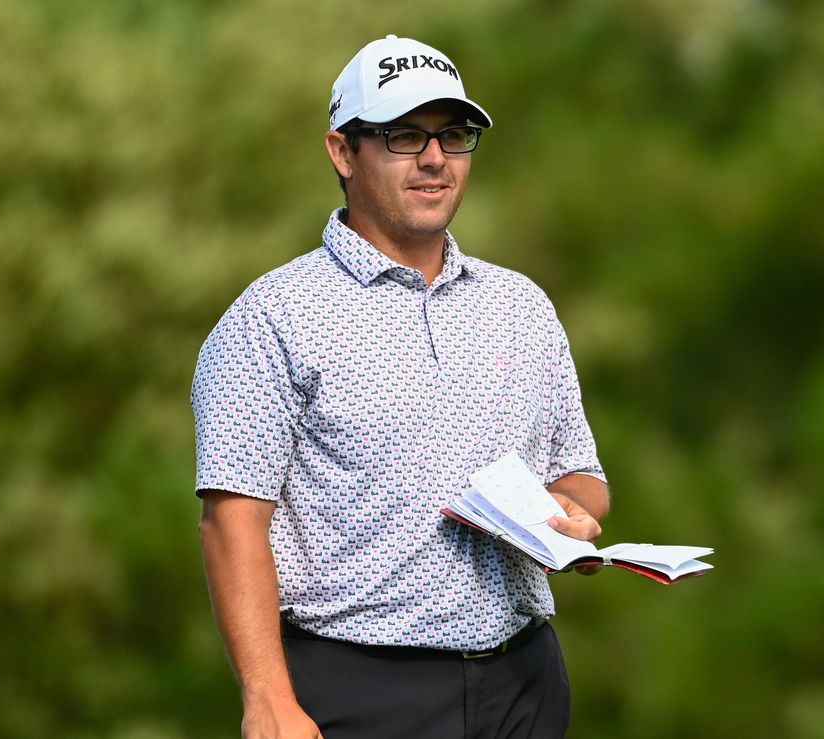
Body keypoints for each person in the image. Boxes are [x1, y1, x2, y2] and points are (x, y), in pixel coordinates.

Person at [192, 34, 608, 739]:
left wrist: (570, 513)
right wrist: (267, 697)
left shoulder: (522, 305)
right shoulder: (273, 315)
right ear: (343, 151)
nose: (435, 158)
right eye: (404, 136)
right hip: (359, 688)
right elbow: (232, 521)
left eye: (453, 134)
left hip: (524, 681)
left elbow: (581, 472)